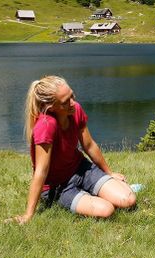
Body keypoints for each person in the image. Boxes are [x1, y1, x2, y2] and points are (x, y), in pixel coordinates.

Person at [8, 76, 136, 223]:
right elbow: (41, 171)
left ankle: (90, 191)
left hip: (81, 169)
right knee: (106, 210)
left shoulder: (75, 110)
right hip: (58, 186)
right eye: (65, 102)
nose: (72, 103)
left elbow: (89, 145)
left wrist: (109, 173)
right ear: (51, 107)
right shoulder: (46, 125)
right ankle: (68, 198)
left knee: (128, 200)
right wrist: (28, 214)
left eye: (72, 96)